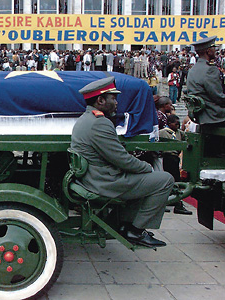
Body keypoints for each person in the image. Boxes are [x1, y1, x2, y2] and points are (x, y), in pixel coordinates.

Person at [71, 77, 174, 247]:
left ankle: (124, 223)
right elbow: (122, 159)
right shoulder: (99, 123)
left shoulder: (86, 119)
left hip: (94, 177)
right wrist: (146, 167)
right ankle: (135, 231)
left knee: (144, 179)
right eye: (113, 98)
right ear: (100, 100)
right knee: (164, 180)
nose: (117, 103)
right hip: (104, 182)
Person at [187, 36, 225, 125]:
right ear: (208, 51)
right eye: (214, 48)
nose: (216, 50)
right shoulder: (210, 70)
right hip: (214, 115)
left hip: (201, 115)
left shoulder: (193, 69)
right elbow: (218, 97)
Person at [159, 114, 192, 215]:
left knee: (176, 178)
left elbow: (186, 137)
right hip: (168, 157)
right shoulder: (163, 132)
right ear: (169, 124)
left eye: (178, 124)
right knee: (173, 179)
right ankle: (177, 203)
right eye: (175, 124)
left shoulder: (179, 133)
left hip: (175, 157)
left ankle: (175, 201)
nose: (177, 126)